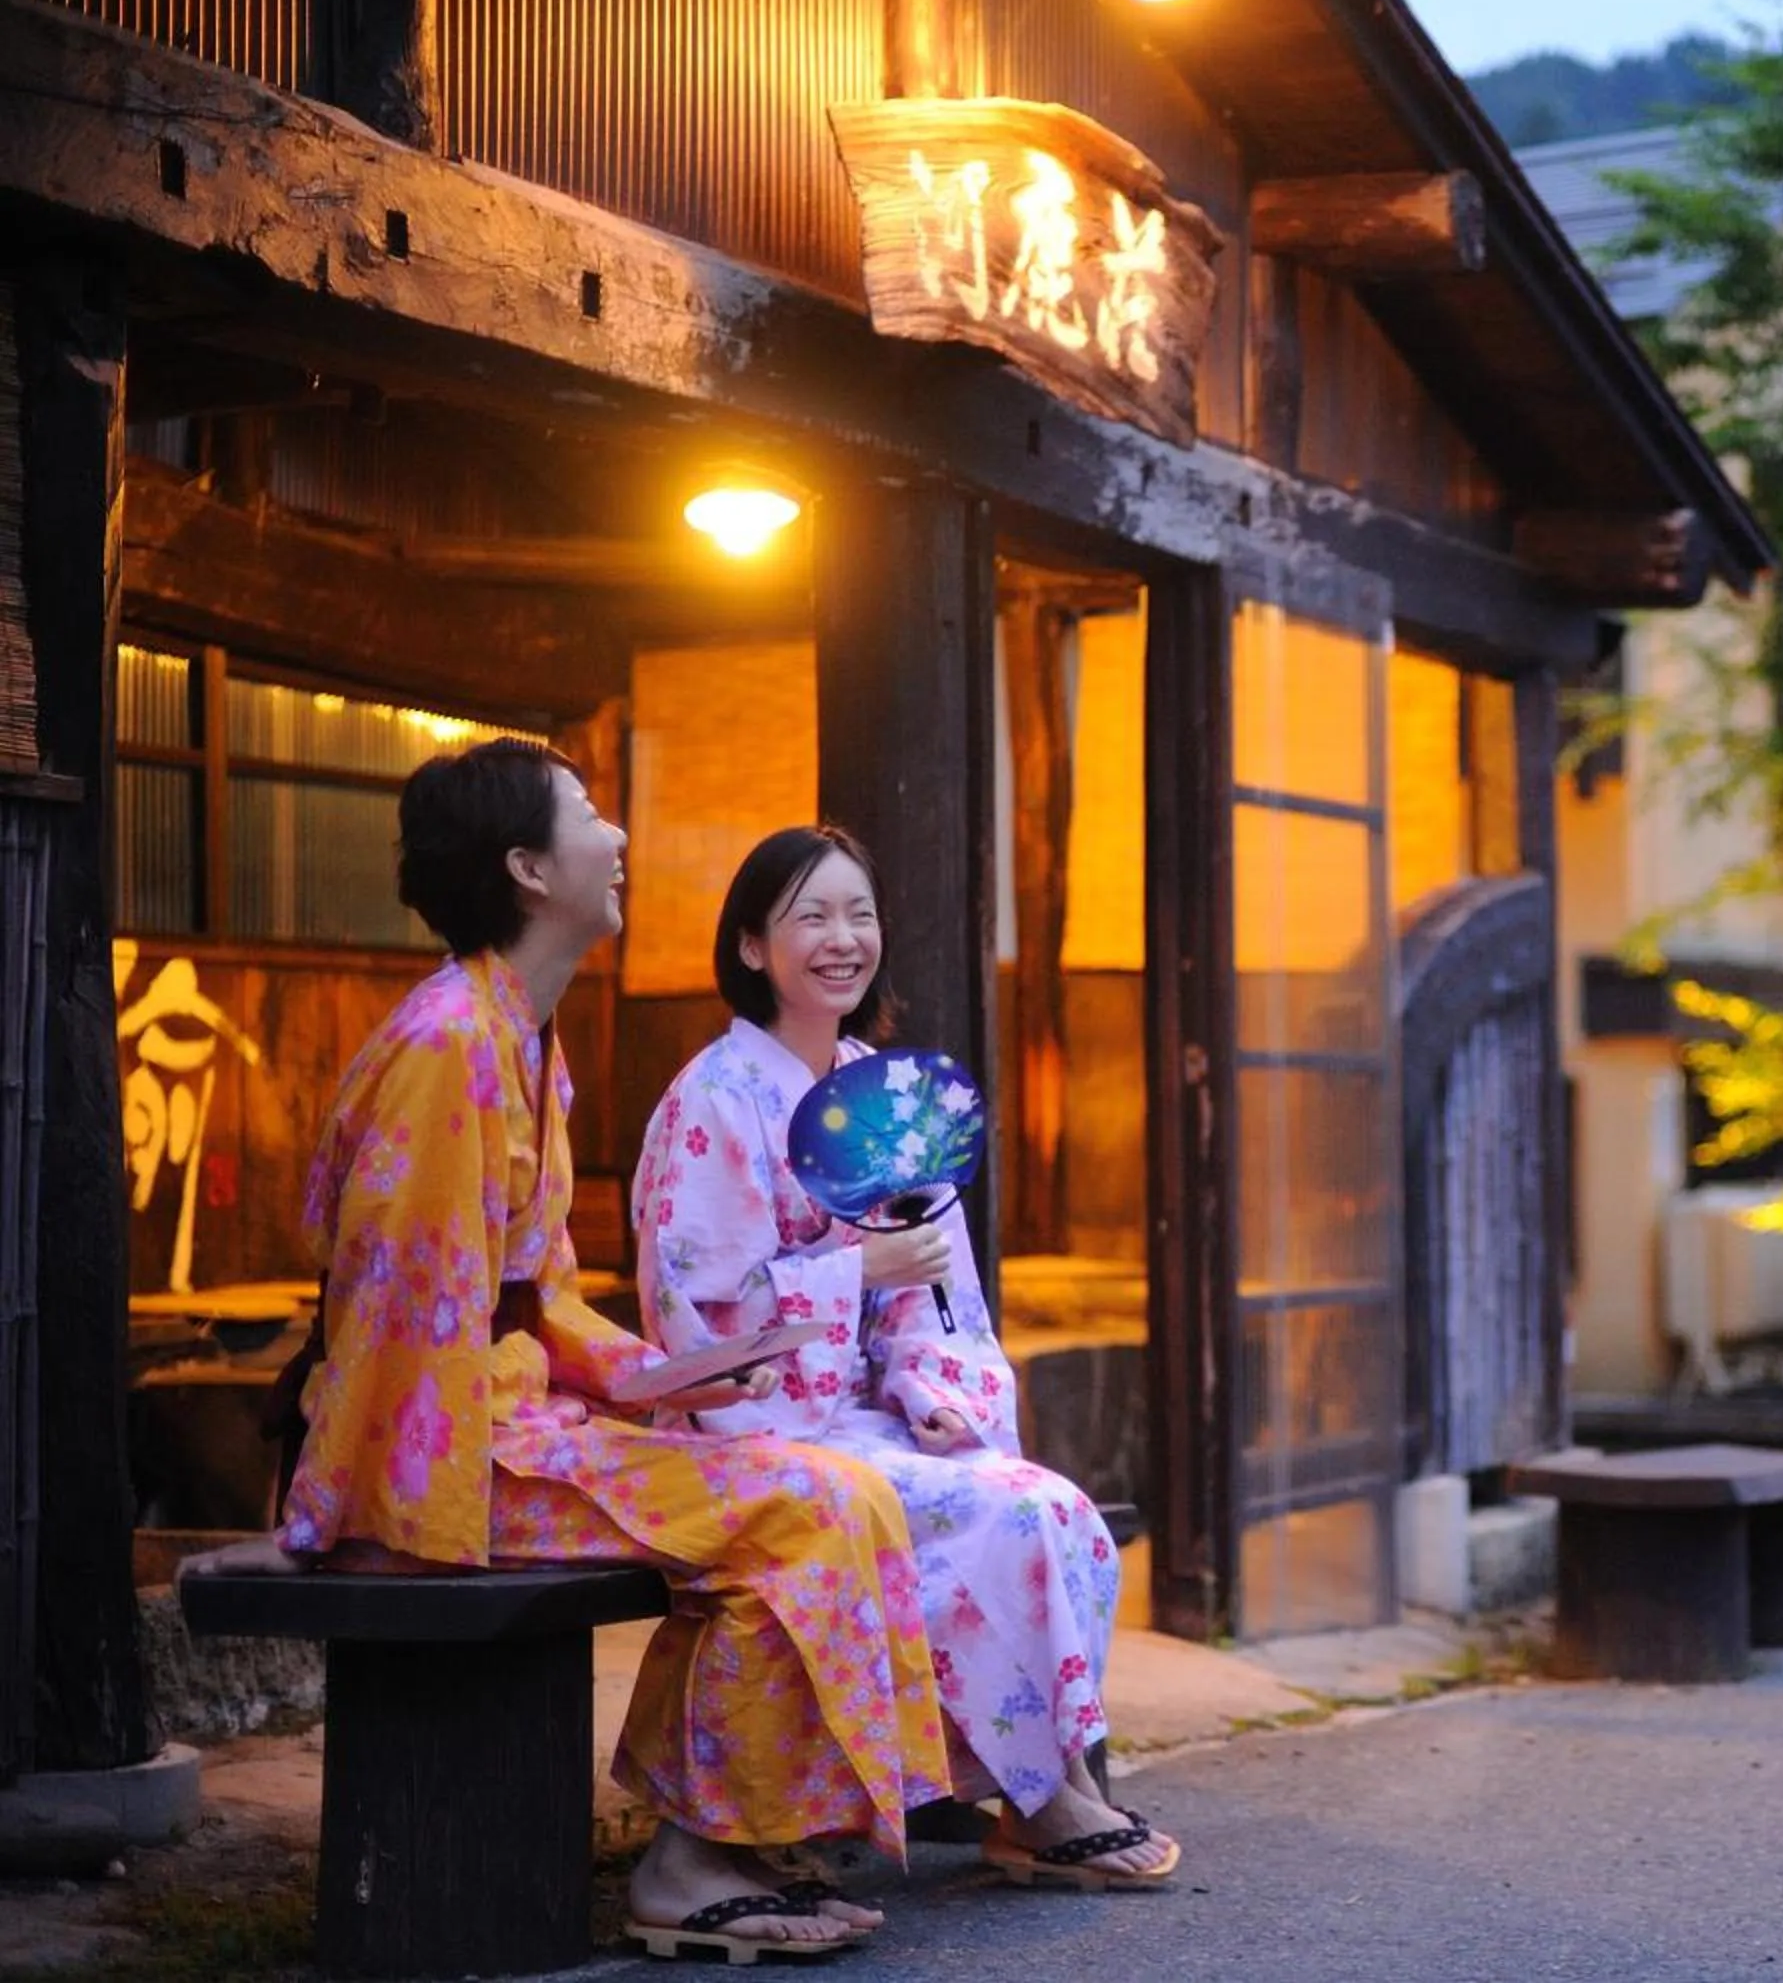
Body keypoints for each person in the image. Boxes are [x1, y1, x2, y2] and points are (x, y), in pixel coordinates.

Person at [270, 740, 949, 1960]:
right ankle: (690, 1860)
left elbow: (539, 1299)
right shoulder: (448, 1047)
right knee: (803, 1501)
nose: (621, 836)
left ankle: (733, 1837)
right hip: (437, 1469)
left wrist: (650, 1378)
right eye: (590, 816)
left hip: (507, 1424)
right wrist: (401, 1515)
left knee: (834, 1494)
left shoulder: (521, 1033)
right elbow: (399, 1328)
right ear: (530, 868)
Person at [634, 825, 1179, 1892]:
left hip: (870, 1420)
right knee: (970, 1518)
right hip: (749, 1423)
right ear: (751, 946)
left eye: (859, 914)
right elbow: (695, 1315)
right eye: (810, 917)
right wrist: (852, 1274)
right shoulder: (711, 1100)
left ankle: (1035, 1790)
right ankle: (1039, 1796)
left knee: (1047, 1507)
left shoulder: (884, 1093)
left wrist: (931, 1384)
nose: (842, 940)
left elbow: (937, 1287)